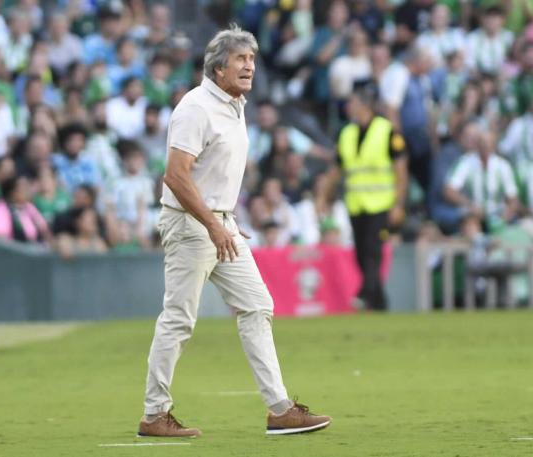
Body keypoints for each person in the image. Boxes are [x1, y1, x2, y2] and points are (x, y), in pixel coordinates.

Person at [138, 25, 330, 439]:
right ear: (218, 66)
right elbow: (175, 175)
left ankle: (279, 409)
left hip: (219, 221)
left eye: (253, 60)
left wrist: (225, 215)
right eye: (242, 59)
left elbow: (211, 172)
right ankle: (155, 414)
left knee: (257, 304)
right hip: (192, 225)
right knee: (179, 319)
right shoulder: (196, 107)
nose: (250, 66)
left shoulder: (234, 104)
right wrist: (212, 221)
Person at [329, 86, 408, 311]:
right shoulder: (346, 134)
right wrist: (324, 195)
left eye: (352, 102)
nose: (348, 107)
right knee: (361, 255)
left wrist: (399, 204)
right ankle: (380, 303)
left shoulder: (387, 131)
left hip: (381, 203)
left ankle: (364, 293)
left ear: (365, 105)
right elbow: (338, 168)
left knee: (373, 251)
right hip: (356, 203)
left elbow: (401, 170)